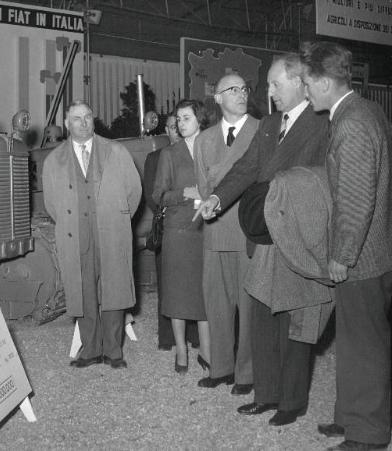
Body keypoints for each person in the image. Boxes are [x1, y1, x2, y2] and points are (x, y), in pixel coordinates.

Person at [194, 53, 329, 425]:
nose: (268, 92)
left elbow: (324, 181)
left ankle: (292, 402)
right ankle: (266, 394)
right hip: (263, 234)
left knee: (295, 324)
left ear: (300, 82)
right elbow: (246, 169)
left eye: (275, 84)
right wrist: (217, 199)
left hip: (297, 237)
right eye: (268, 85)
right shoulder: (269, 124)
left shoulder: (322, 123)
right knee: (263, 320)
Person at [301, 41, 392, 451]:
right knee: (355, 341)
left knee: (364, 345)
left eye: (307, 82)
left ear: (323, 81)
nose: (305, 91)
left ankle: (368, 434)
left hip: (363, 257)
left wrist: (343, 255)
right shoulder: (366, 110)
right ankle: (348, 415)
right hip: (377, 251)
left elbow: (357, 199)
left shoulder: (352, 122)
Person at [42, 100, 142, 369]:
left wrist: (116, 219)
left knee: (114, 290)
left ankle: (113, 350)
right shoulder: (54, 160)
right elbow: (51, 204)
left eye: (87, 117)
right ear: (67, 123)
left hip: (111, 233)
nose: (83, 122)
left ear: (93, 119)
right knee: (82, 291)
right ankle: (90, 349)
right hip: (76, 236)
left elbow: (134, 192)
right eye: (77, 118)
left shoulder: (116, 152)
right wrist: (72, 223)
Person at [194, 74, 259, 394]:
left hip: (248, 232)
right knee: (216, 304)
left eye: (244, 88)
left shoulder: (262, 131)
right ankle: (221, 367)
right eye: (232, 89)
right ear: (216, 98)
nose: (241, 93)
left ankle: (247, 373)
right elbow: (204, 187)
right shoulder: (204, 140)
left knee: (249, 307)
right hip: (215, 232)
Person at [152, 99, 210, 374]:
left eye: (186, 118)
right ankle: (181, 350)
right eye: (178, 119)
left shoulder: (213, 149)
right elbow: (158, 196)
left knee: (205, 292)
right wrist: (186, 193)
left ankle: (207, 351)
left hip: (207, 230)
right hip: (177, 232)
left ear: (200, 119)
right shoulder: (169, 154)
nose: (180, 123)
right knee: (176, 294)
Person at [143, 113, 199, 351]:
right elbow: (151, 195)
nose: (176, 130)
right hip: (168, 226)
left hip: (195, 226)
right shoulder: (156, 157)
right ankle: (168, 337)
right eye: (171, 127)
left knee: (194, 282)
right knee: (168, 285)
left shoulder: (199, 152)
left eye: (179, 125)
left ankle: (196, 336)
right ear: (166, 130)